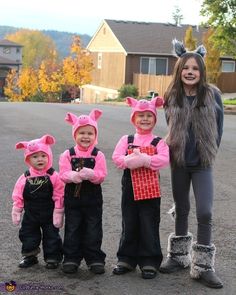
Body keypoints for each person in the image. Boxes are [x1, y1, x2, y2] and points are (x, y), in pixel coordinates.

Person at [159, 39, 224, 289]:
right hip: (178, 162)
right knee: (182, 207)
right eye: (186, 68)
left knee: (205, 211)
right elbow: (169, 126)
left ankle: (204, 266)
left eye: (195, 69)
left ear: (201, 72)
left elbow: (217, 130)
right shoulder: (171, 96)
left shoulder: (212, 95)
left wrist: (207, 153)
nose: (190, 72)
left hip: (202, 163)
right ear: (179, 70)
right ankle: (178, 257)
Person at [112, 96, 169, 279]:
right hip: (130, 185)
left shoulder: (158, 141)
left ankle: (149, 261)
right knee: (129, 220)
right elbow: (117, 158)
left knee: (149, 222)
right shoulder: (126, 139)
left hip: (150, 187)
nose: (145, 119)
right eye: (140, 115)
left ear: (154, 118)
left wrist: (145, 160)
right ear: (133, 118)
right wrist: (129, 161)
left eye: (148, 115)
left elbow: (164, 159)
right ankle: (126, 258)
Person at [59, 109, 107, 275]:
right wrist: (72, 175)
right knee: (73, 228)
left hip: (93, 198)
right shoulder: (68, 154)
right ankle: (71, 258)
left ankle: (94, 259)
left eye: (89, 133)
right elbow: (63, 174)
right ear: (75, 134)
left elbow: (102, 176)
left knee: (93, 228)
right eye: (81, 133)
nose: (86, 137)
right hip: (73, 198)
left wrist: (92, 174)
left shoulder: (98, 155)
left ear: (95, 135)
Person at [12, 134, 64, 269]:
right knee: (28, 234)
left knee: (52, 236)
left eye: (43, 156)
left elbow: (59, 193)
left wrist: (58, 210)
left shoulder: (53, 176)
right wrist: (17, 209)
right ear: (28, 160)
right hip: (31, 213)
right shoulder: (25, 177)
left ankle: (53, 258)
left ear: (49, 156)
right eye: (35, 157)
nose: (39, 159)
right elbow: (18, 194)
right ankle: (30, 256)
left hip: (49, 213)